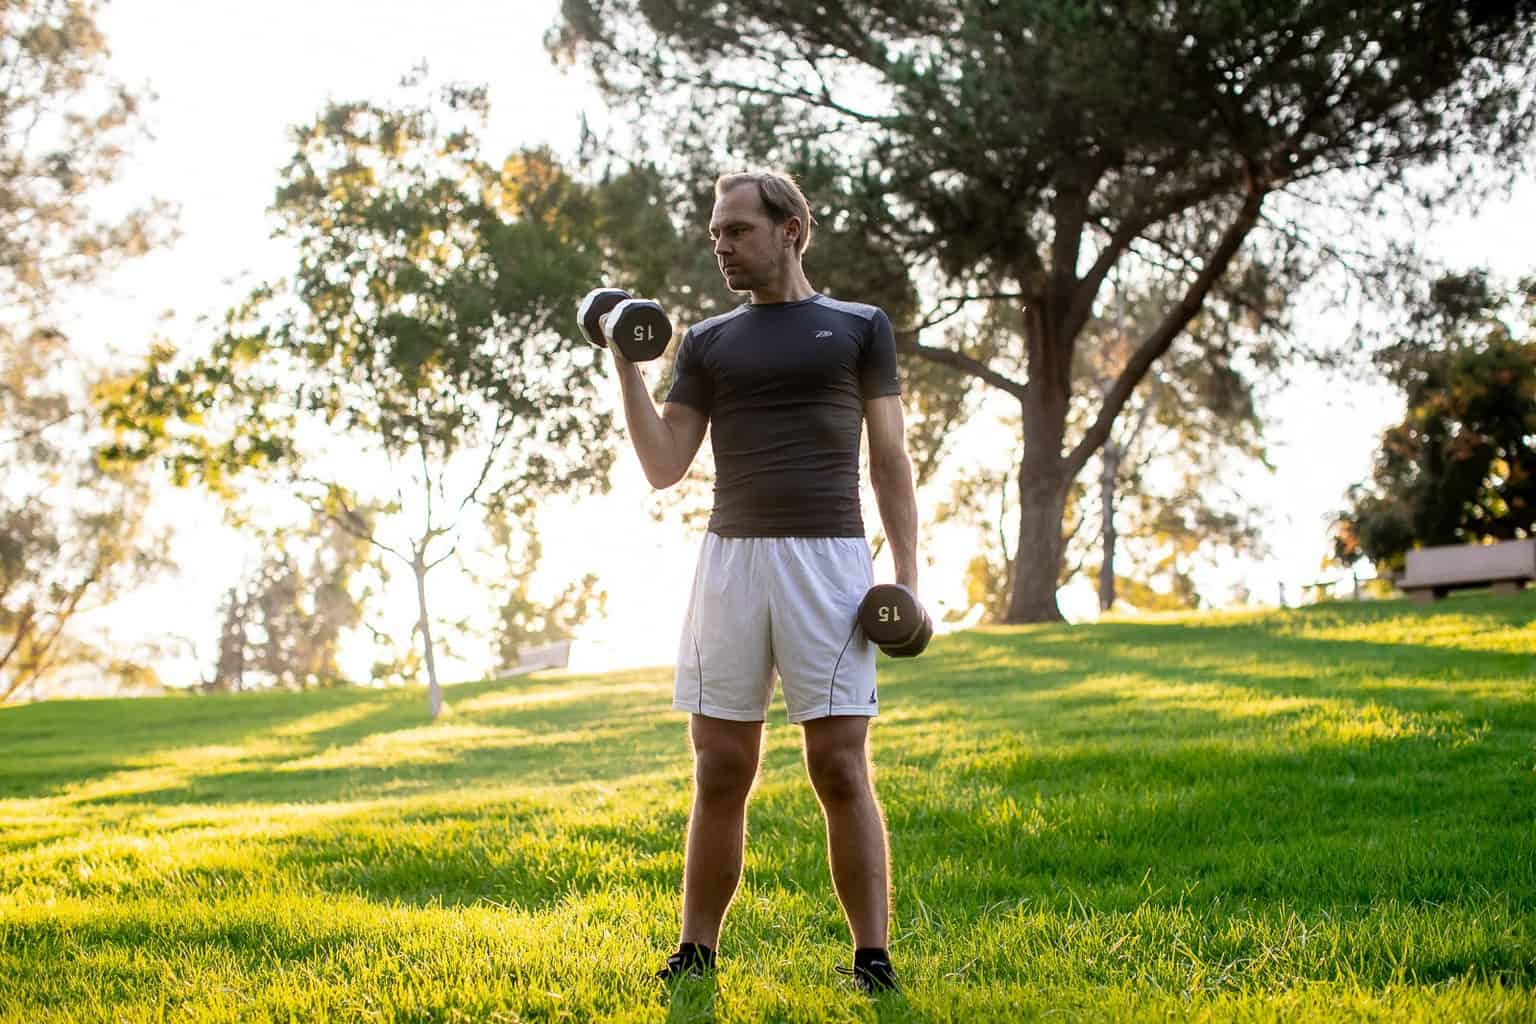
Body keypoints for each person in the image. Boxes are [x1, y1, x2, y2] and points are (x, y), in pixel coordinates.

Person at [604, 169, 919, 994]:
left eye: (736, 230)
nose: (721, 245)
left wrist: (909, 579)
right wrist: (626, 366)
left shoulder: (858, 328)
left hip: (831, 561)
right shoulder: (709, 342)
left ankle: (872, 957)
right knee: (718, 766)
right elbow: (665, 466)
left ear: (791, 230)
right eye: (714, 233)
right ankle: (696, 949)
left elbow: (890, 460)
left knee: (841, 766)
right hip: (732, 562)